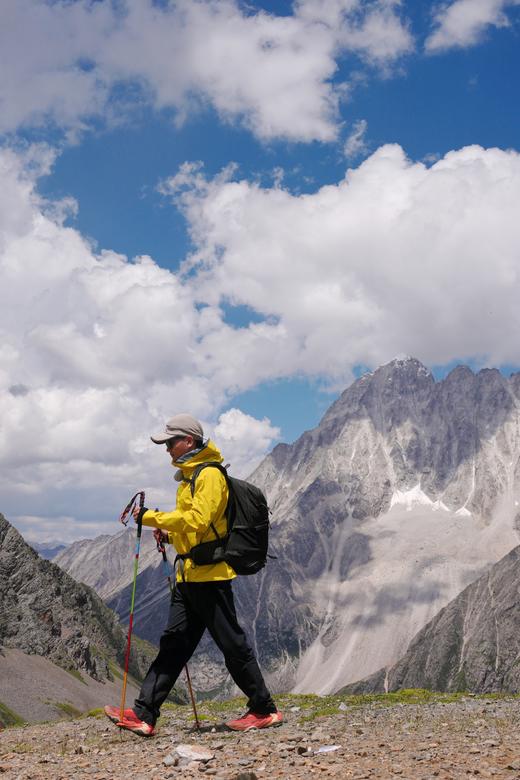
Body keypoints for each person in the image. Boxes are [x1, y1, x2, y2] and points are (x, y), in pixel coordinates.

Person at [104, 413, 282, 737]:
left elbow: (199, 519)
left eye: (171, 442)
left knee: (232, 645)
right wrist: (170, 535)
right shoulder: (190, 477)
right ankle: (144, 714)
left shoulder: (209, 474)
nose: (167, 449)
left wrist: (152, 518)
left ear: (189, 441)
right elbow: (196, 530)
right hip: (189, 577)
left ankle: (264, 709)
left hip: (211, 577)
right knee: (174, 645)